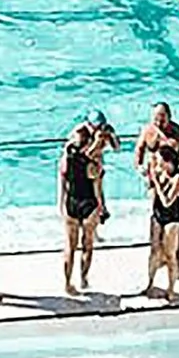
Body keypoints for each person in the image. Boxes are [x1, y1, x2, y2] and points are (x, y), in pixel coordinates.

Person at [137, 104, 179, 302]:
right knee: (154, 247)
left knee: (171, 248)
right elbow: (139, 151)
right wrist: (144, 171)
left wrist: (173, 173)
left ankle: (173, 275)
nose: (158, 121)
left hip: (169, 186)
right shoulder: (148, 131)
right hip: (157, 181)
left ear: (169, 117)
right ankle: (151, 280)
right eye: (156, 117)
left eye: (162, 117)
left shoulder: (178, 135)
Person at [59, 113, 115, 295]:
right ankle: (83, 279)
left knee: (70, 247)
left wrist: (61, 203)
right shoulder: (94, 165)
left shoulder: (67, 160)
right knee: (87, 246)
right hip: (89, 205)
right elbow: (98, 191)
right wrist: (102, 208)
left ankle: (67, 284)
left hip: (71, 203)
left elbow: (64, 182)